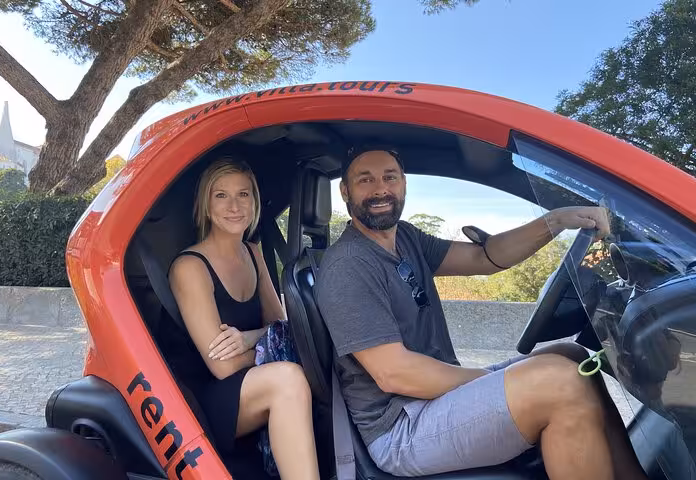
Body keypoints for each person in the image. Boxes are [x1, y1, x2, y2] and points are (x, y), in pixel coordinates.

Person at [314, 145, 648, 480]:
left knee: (572, 356)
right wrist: (493, 380)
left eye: (390, 177)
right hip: (401, 428)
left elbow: (484, 258)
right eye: (365, 179)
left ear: (403, 184)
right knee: (561, 384)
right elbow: (396, 374)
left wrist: (556, 220)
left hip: (431, 402)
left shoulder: (406, 239)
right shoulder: (349, 264)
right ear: (345, 191)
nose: (380, 189)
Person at [168, 157, 319, 480]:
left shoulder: (254, 253)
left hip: (248, 381)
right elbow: (222, 366)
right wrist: (266, 346)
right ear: (206, 206)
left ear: (254, 202)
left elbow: (281, 329)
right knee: (288, 378)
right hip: (204, 398)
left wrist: (250, 338)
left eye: (244, 194)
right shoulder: (190, 267)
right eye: (221, 195)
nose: (234, 206)